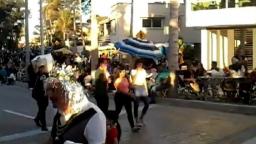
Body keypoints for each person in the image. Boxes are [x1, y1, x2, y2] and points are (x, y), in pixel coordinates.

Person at [45, 69, 106, 144]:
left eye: (55, 99)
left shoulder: (94, 116)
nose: (50, 96)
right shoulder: (61, 112)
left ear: (69, 94)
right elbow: (52, 139)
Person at [130, 60, 150, 126]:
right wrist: (138, 71)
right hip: (136, 87)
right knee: (136, 104)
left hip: (142, 87)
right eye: (139, 64)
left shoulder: (143, 71)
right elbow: (132, 79)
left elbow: (145, 79)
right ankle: (136, 119)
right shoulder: (133, 71)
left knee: (147, 103)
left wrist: (146, 90)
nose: (140, 66)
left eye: (141, 65)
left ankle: (141, 117)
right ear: (136, 65)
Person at [32, 65, 49, 131]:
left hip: (45, 95)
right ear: (40, 69)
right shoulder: (37, 75)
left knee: (43, 108)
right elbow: (36, 84)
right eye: (42, 68)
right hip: (39, 95)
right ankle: (44, 126)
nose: (44, 69)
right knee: (42, 110)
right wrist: (40, 79)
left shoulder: (46, 74)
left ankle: (37, 119)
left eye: (44, 68)